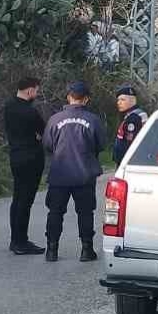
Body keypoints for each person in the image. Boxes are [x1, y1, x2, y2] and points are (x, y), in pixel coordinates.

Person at [41, 82, 105, 264]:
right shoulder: (93, 120)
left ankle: (51, 250)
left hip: (59, 174)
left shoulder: (54, 119)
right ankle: (86, 250)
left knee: (55, 212)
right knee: (85, 212)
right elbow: (101, 144)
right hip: (84, 175)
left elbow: (47, 144)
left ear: (69, 97)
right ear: (86, 99)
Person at [3, 74, 45, 256]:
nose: (37, 93)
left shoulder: (8, 107)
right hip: (31, 158)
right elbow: (43, 132)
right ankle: (21, 242)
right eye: (36, 90)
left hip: (15, 156)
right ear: (30, 90)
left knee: (17, 198)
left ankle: (15, 239)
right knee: (25, 201)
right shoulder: (30, 112)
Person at [112, 85, 147, 164]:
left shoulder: (133, 118)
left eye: (123, 100)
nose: (119, 103)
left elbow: (129, 143)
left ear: (132, 100)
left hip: (127, 161)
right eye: (118, 100)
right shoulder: (138, 113)